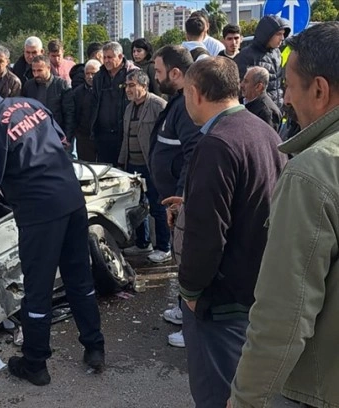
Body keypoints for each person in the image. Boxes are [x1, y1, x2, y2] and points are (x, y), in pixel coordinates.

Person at [0, 73, 106, 386]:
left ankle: (35, 363)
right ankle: (95, 347)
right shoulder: (29, 103)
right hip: (72, 201)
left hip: (39, 214)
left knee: (37, 290)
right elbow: (62, 143)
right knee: (79, 279)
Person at [230, 22, 339, 408]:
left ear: (320, 89)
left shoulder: (312, 173)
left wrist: (244, 399)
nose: (286, 98)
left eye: (291, 86)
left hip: (317, 388)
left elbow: (283, 316)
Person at [176, 56, 286, 408]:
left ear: (195, 92)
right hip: (255, 286)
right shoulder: (261, 130)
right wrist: (191, 201)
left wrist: (191, 291)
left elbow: (207, 235)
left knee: (216, 395)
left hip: (221, 300)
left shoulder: (217, 144)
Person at [150, 46, 202, 346]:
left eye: (158, 71)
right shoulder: (177, 102)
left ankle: (191, 326)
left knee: (187, 261)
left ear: (175, 73)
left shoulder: (185, 105)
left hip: (179, 202)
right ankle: (184, 310)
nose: (155, 77)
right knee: (179, 259)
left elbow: (192, 153)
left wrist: (181, 196)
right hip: (172, 200)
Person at [117, 70, 170, 261]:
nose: (128, 90)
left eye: (132, 85)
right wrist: (122, 162)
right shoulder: (129, 108)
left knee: (158, 207)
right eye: (126, 86)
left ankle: (164, 247)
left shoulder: (158, 105)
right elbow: (126, 137)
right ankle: (142, 243)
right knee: (137, 206)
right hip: (133, 166)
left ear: (144, 86)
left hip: (152, 166)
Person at [90, 42, 139, 166]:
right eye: (104, 57)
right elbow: (94, 103)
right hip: (103, 135)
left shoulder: (133, 75)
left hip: (124, 133)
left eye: (110, 57)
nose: (106, 61)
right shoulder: (99, 77)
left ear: (120, 56)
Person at [234, 15, 291, 108]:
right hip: (257, 114)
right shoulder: (246, 56)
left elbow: (279, 84)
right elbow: (239, 90)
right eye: (278, 34)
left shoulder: (277, 53)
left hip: (277, 111)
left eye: (283, 34)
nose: (282, 38)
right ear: (267, 34)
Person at [21, 55, 74, 150]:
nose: (36, 74)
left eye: (39, 70)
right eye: (34, 71)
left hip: (57, 136)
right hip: (35, 137)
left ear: (48, 68)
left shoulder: (61, 85)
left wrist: (67, 138)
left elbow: (69, 113)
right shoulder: (28, 86)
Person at [73, 59, 101, 161]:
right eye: (87, 73)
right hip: (84, 137)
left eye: (93, 73)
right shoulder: (77, 92)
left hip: (102, 137)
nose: (90, 76)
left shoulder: (105, 90)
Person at [241, 66, 282, 131]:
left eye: (246, 81)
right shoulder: (241, 101)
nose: (241, 85)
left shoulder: (266, 112)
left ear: (258, 87)